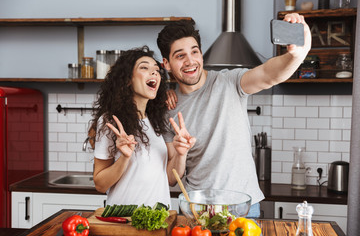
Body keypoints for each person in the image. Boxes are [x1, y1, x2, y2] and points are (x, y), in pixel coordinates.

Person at [157, 13, 311, 218]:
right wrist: (181, 153)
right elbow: (171, 178)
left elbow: (268, 75)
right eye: (180, 55)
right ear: (166, 64)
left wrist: (297, 55)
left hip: (243, 207)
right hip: (198, 208)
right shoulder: (167, 109)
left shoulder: (230, 82)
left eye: (194, 52)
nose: (190, 61)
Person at [89, 46, 196, 207]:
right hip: (124, 220)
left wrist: (181, 154)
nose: (154, 72)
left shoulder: (159, 120)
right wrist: (124, 158)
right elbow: (100, 184)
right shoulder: (110, 122)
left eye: (156, 70)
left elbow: (170, 179)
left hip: (159, 219)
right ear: (127, 79)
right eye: (144, 67)